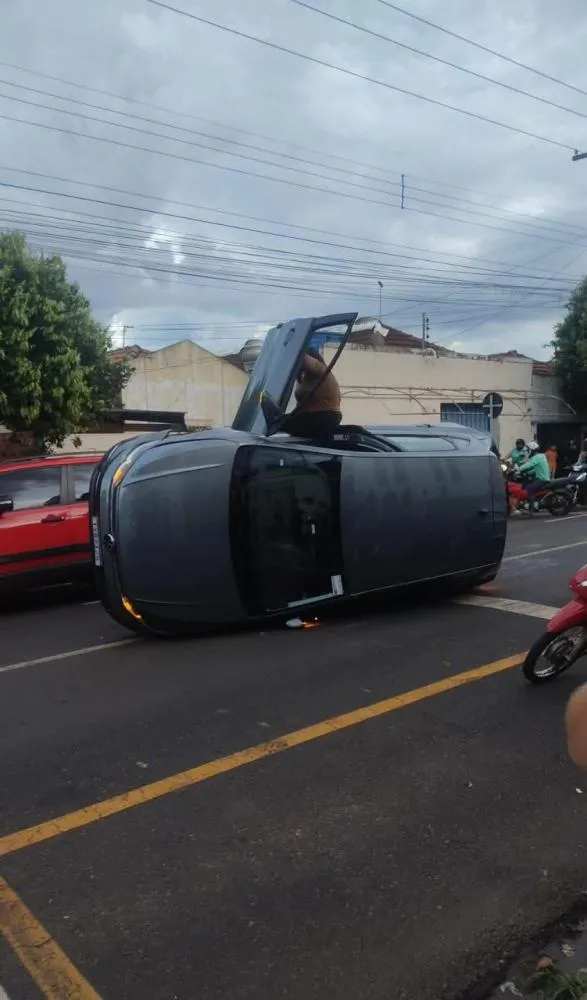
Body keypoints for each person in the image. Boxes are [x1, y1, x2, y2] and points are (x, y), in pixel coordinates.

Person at [280, 347, 342, 439]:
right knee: (279, 420)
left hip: (324, 416)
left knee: (278, 422)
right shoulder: (306, 378)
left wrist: (294, 348)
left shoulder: (320, 368)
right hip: (311, 416)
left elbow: (302, 357)